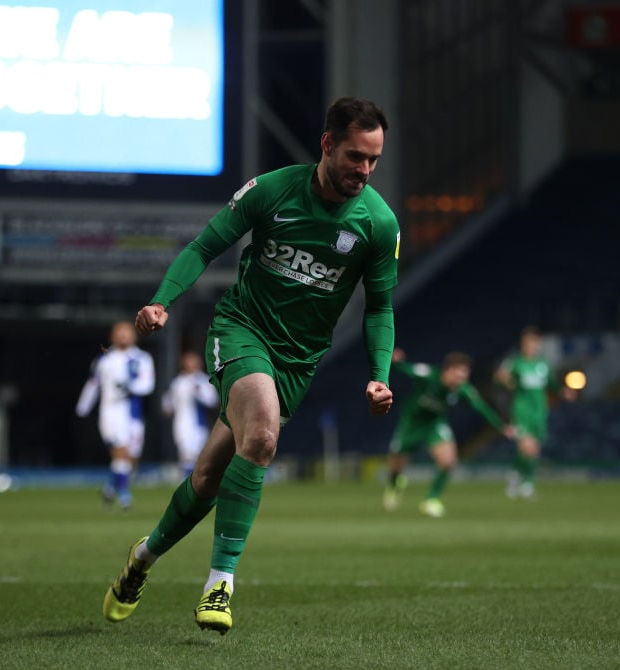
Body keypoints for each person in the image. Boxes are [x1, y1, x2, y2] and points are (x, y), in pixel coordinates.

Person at [101, 96, 399, 635]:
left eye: (374, 160)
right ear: (328, 144)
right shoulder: (272, 190)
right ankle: (220, 584)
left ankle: (141, 558)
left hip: (298, 361)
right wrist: (162, 299)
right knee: (261, 437)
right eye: (356, 156)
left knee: (210, 475)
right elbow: (203, 246)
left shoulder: (378, 223)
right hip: (241, 332)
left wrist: (379, 373)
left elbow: (379, 307)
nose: (365, 170)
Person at [383, 349, 515, 517]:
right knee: (396, 462)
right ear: (448, 371)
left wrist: (502, 426)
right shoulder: (429, 376)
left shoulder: (462, 389)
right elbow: (406, 369)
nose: (462, 378)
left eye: (465, 375)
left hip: (435, 424)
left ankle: (431, 499)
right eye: (459, 374)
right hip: (412, 423)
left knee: (448, 461)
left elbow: (481, 407)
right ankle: (395, 483)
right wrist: (395, 361)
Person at [76, 320, 156, 510]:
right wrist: (82, 408)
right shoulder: (104, 359)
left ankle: (110, 488)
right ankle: (124, 496)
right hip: (111, 412)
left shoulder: (143, 358)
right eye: (119, 332)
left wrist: (130, 386)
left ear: (134, 335)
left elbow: (148, 385)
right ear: (112, 336)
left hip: (134, 414)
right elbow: (93, 385)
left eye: (126, 332)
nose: (123, 336)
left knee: (132, 458)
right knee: (121, 452)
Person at [494, 326, 576, 500]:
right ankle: (526, 483)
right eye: (529, 342)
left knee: (534, 450)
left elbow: (551, 384)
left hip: (540, 411)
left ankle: (518, 476)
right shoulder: (515, 362)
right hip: (521, 410)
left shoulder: (542, 364)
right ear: (523, 343)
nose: (532, 346)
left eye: (535, 343)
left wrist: (563, 392)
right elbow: (500, 376)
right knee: (527, 446)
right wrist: (506, 381)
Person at [162, 350, 219, 478]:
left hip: (199, 423)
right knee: (185, 453)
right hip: (182, 422)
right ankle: (187, 483)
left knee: (200, 454)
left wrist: (198, 394)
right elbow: (168, 402)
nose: (189, 363)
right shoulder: (178, 382)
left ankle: (198, 483)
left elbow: (212, 401)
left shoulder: (204, 380)